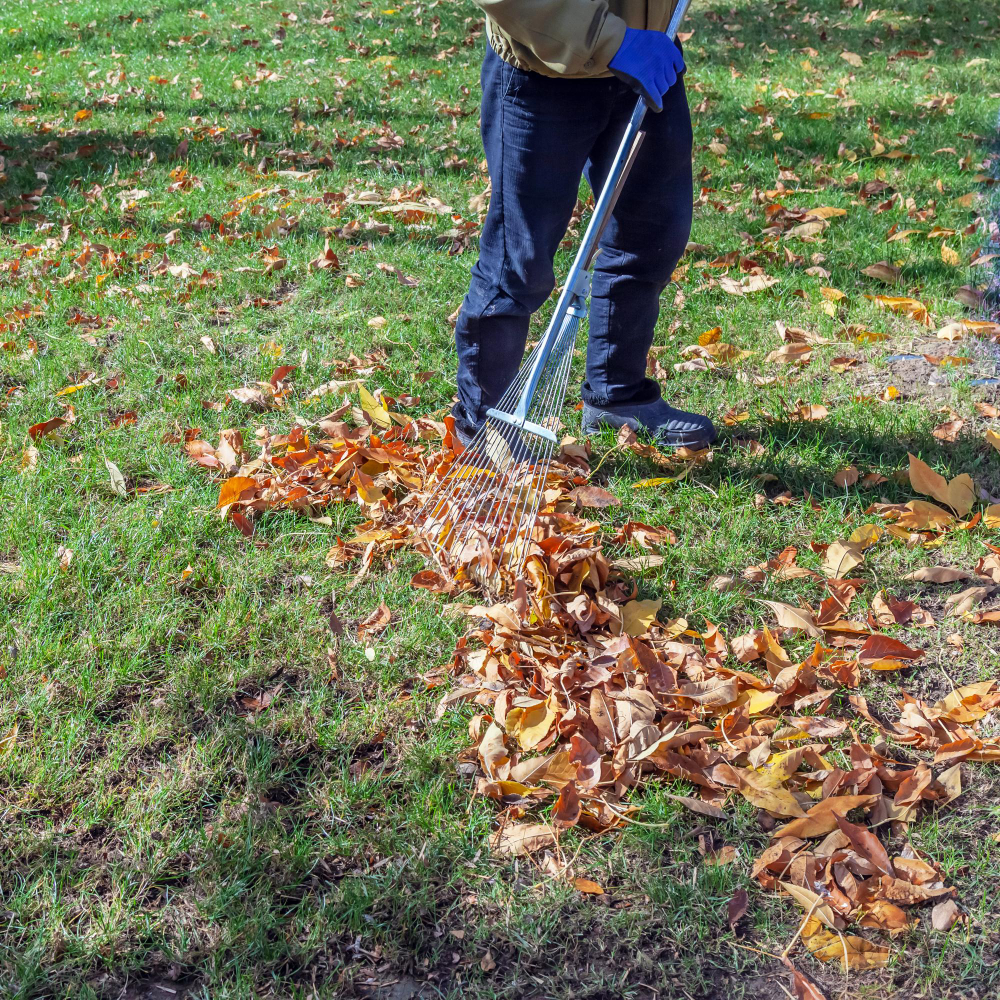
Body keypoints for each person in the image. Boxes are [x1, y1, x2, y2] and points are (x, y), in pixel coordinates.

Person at [452, 0, 717, 450]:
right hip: (544, 70)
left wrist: (637, 42)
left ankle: (618, 399)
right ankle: (484, 425)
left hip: (649, 60)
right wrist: (614, 41)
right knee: (520, 262)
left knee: (650, 237)